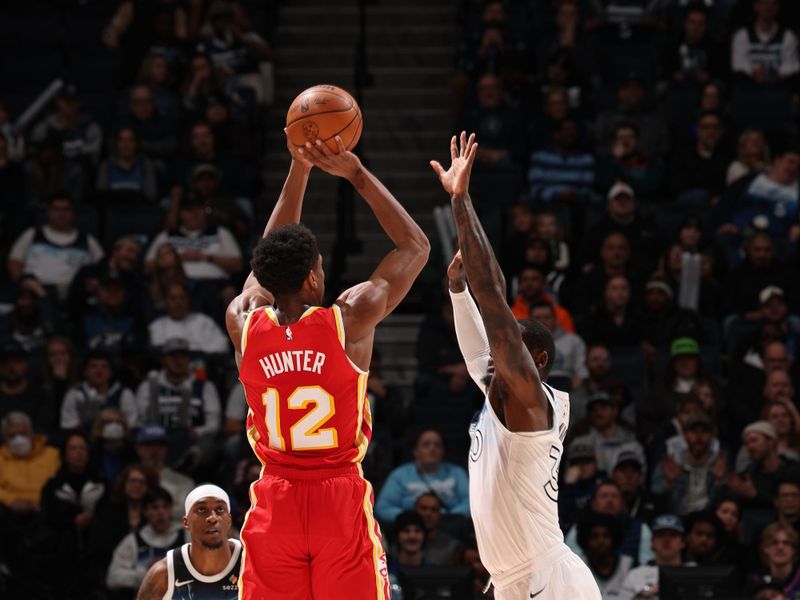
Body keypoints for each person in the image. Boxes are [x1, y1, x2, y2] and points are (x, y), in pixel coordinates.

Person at [225, 131, 429, 599]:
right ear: (314, 276)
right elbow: (415, 247)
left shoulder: (243, 323)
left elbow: (267, 257)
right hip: (337, 496)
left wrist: (299, 168)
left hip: (276, 495)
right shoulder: (349, 319)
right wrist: (355, 173)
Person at [431, 131, 600, 599]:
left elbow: (494, 293)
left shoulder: (529, 399)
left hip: (550, 578)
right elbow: (475, 351)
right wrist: (457, 291)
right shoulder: (499, 394)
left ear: (537, 360)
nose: (497, 354)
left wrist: (461, 201)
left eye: (509, 348)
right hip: (513, 580)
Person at [136, 484, 242, 600]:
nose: (212, 518)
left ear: (229, 520)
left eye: (220, 509)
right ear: (186, 522)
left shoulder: (250, 563)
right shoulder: (163, 573)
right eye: (201, 510)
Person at [375, 428, 470, 523]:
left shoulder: (458, 473)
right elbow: (383, 508)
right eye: (426, 445)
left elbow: (471, 504)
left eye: (437, 445)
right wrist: (411, 518)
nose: (432, 449)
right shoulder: (399, 474)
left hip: (449, 527)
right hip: (411, 528)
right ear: (415, 450)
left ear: (443, 451)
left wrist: (444, 517)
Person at [106, 487, 184, 598]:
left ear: (171, 509)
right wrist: (146, 574)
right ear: (146, 512)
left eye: (165, 507)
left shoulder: (187, 537)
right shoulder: (132, 541)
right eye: (155, 508)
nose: (161, 512)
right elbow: (113, 578)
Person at [618, 514, 687, 600]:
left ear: (683, 542)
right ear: (652, 542)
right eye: (661, 535)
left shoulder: (694, 572)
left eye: (673, 535)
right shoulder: (635, 575)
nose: (667, 540)